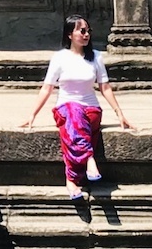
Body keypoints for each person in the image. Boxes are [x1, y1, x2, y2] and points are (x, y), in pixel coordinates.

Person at [22, 14, 132, 201]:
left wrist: (119, 113)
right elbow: (47, 88)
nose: (86, 34)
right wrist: (32, 114)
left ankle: (71, 180)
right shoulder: (59, 58)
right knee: (73, 113)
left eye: (88, 31)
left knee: (73, 128)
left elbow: (105, 87)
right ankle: (88, 160)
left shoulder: (96, 57)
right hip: (65, 109)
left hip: (91, 111)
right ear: (69, 34)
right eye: (82, 31)